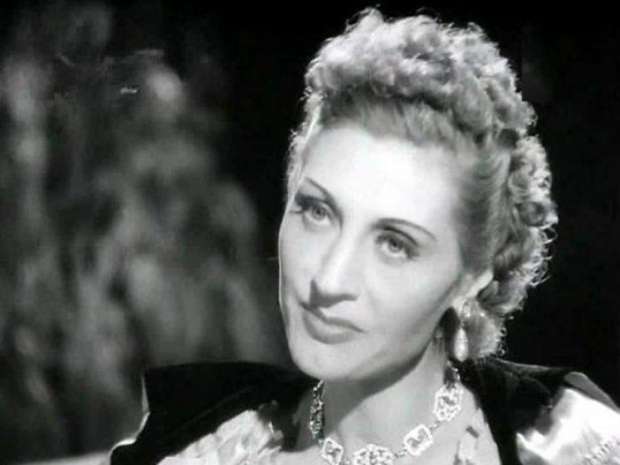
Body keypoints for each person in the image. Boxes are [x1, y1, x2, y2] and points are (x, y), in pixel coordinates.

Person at [108, 8, 620, 465]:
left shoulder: (570, 449)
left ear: (472, 277)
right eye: (317, 212)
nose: (328, 280)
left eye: (394, 244)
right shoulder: (204, 452)